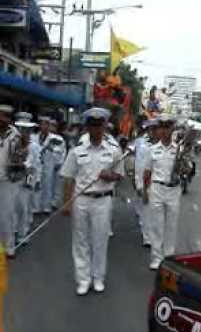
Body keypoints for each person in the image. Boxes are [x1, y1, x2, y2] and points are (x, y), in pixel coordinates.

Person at [60, 107, 124, 296]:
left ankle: (98, 277)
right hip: (81, 200)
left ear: (105, 126)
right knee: (80, 241)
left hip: (103, 200)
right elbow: (68, 178)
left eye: (99, 125)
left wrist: (109, 175)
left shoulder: (114, 151)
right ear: (87, 127)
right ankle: (83, 279)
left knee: (100, 239)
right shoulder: (76, 151)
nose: (96, 129)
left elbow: (119, 176)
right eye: (92, 125)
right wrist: (66, 203)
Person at [143, 115, 181, 270]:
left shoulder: (179, 149)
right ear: (158, 130)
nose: (164, 131)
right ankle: (156, 258)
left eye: (168, 127)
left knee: (171, 225)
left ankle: (169, 256)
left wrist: (183, 167)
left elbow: (186, 169)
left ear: (172, 129)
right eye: (162, 127)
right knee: (156, 225)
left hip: (173, 189)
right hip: (157, 188)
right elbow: (147, 172)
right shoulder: (152, 150)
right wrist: (145, 191)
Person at [12, 113, 41, 249]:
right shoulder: (11, 143)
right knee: (11, 208)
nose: (24, 132)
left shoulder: (34, 146)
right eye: (21, 129)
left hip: (25, 182)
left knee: (23, 208)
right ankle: (12, 233)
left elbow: (35, 166)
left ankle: (22, 234)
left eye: (26, 129)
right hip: (11, 181)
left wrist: (31, 182)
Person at [32, 116, 65, 214]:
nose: (44, 126)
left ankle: (46, 206)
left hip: (49, 164)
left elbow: (60, 151)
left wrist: (51, 150)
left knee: (48, 185)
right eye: (42, 124)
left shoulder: (57, 138)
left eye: (46, 124)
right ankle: (35, 207)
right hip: (36, 166)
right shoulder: (33, 137)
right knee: (36, 185)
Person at [0, 105, 20, 258]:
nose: (2, 119)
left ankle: (9, 247)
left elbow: (20, 159)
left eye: (6, 116)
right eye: (1, 115)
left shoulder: (16, 135)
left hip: (8, 180)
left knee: (8, 214)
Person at [134, 120, 156, 247]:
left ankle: (152, 234)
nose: (154, 132)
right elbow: (139, 166)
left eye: (155, 129)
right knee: (146, 211)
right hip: (146, 181)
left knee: (155, 212)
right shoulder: (142, 144)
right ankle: (147, 237)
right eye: (152, 129)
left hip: (159, 183)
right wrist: (139, 184)